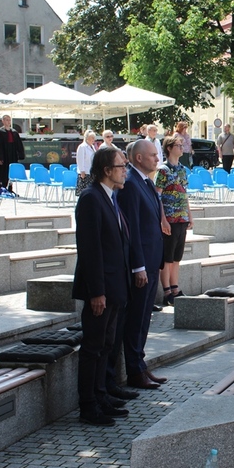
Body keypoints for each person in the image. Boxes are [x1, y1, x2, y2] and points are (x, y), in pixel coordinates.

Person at [73, 147, 132, 426]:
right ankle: (88, 405)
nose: (125, 170)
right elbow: (90, 250)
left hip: (115, 287)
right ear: (107, 170)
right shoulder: (90, 198)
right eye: (121, 166)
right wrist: (97, 291)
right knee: (94, 345)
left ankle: (101, 394)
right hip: (101, 289)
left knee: (106, 343)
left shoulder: (110, 197)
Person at [111, 140, 166, 390]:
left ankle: (141, 366)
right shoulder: (131, 184)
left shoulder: (145, 181)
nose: (157, 159)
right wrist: (138, 266)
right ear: (140, 158)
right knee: (136, 319)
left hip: (152, 261)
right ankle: (134, 370)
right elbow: (131, 228)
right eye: (153, 155)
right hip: (141, 265)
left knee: (144, 318)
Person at [156, 136, 193, 305]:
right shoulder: (163, 170)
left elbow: (184, 194)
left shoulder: (183, 169)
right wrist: (162, 219)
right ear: (169, 148)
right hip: (169, 218)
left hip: (181, 218)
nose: (182, 148)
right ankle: (167, 291)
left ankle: (175, 288)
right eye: (178, 145)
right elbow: (158, 195)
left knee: (177, 257)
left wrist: (189, 215)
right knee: (167, 257)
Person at [0, 115, 25, 189]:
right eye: (6, 120)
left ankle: (10, 188)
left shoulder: (14, 132)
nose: (8, 121)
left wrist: (20, 154)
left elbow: (19, 144)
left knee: (11, 172)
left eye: (9, 120)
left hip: (12, 155)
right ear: (3, 121)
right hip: (4, 156)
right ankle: (2, 188)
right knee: (3, 172)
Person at [76, 131, 98, 196]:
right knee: (84, 192)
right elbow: (80, 160)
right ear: (87, 138)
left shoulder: (93, 147)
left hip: (91, 172)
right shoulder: (82, 147)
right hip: (85, 173)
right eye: (92, 138)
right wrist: (82, 171)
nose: (93, 140)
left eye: (94, 138)